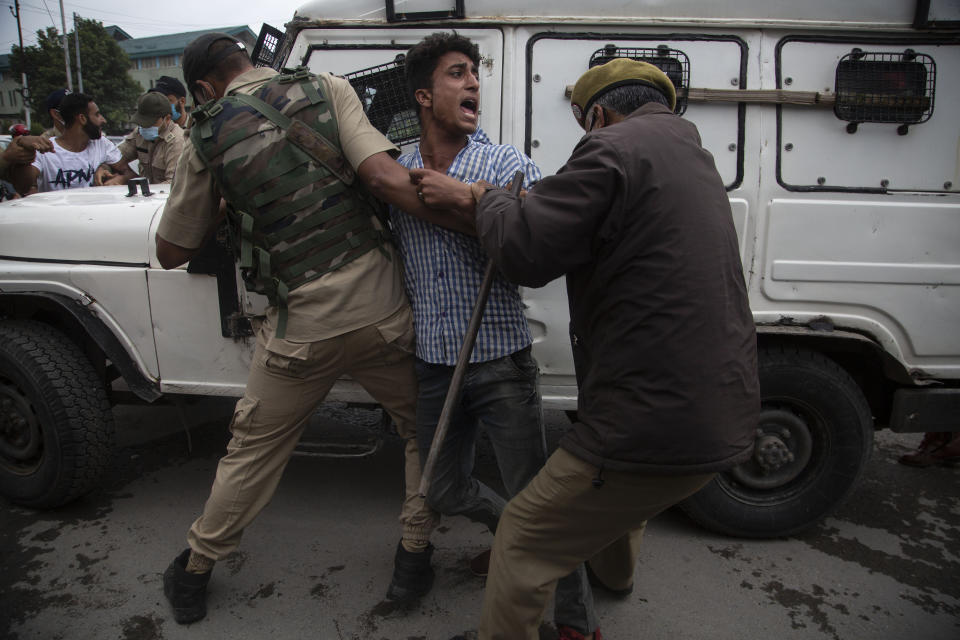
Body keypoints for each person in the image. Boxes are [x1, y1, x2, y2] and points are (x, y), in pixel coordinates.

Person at [416, 58, 760, 640]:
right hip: (720, 406)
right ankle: (615, 580)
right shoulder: (690, 155)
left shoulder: (611, 149)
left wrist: (485, 199)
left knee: (525, 534)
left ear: (597, 114)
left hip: (649, 416)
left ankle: (571, 630)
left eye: (582, 124)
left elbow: (527, 250)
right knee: (622, 503)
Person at [154, 32, 473, 625]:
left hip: (301, 329)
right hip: (382, 312)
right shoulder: (326, 88)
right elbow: (382, 177)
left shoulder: (206, 132)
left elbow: (171, 249)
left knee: (252, 452)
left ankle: (196, 569)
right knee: (420, 433)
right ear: (249, 62)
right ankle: (413, 556)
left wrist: (230, 198)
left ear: (203, 88)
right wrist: (477, 212)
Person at [393, 32, 598, 640]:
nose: (474, 83)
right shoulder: (397, 164)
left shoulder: (504, 162)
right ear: (426, 96)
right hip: (433, 360)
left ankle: (576, 623)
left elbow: (543, 231)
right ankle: (517, 542)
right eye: (458, 73)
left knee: (541, 504)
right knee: (446, 487)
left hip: (499, 360)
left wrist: (478, 200)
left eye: (476, 74)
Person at [11, 92, 135, 195]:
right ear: (82, 118)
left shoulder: (102, 144)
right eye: (97, 114)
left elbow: (130, 173)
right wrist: (25, 150)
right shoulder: (45, 149)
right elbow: (23, 187)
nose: (103, 120)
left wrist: (120, 179)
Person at [117, 91, 185, 183]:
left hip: (165, 195)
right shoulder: (139, 133)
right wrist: (105, 169)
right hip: (146, 194)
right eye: (142, 122)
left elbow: (173, 185)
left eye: (150, 122)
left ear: (167, 119)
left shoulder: (177, 140)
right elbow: (117, 158)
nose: (145, 127)